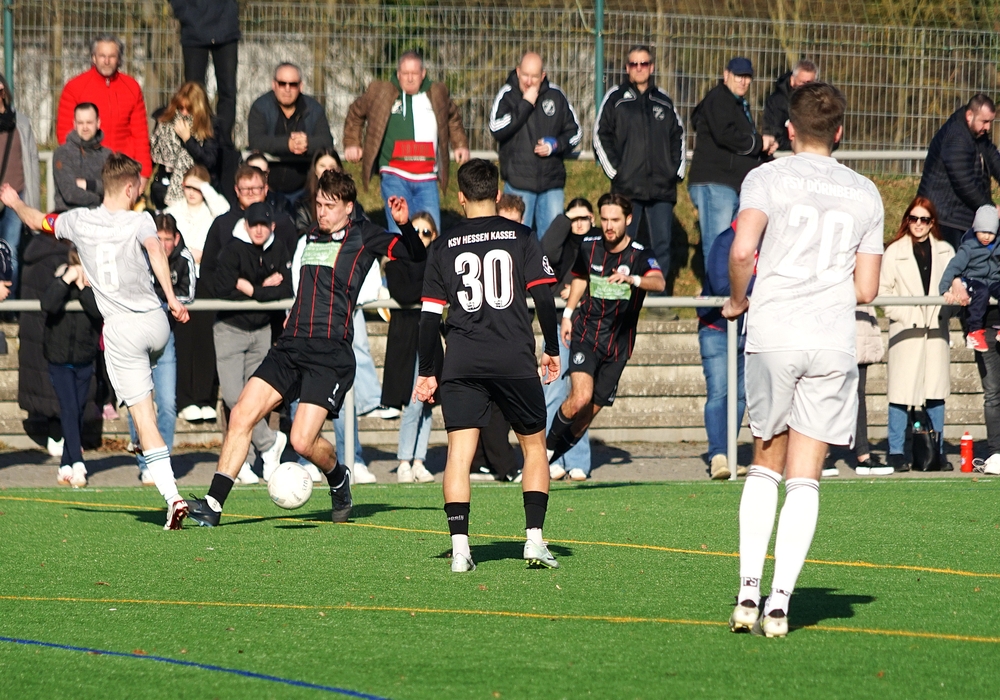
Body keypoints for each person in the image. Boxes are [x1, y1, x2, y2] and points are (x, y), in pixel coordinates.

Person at [722, 82, 883, 638]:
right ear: (840, 132)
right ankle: (780, 605)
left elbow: (742, 250)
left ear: (789, 128)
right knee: (806, 476)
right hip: (831, 338)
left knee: (766, 461)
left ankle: (748, 592)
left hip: (775, 332)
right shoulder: (865, 191)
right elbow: (867, 288)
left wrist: (738, 299)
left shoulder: (766, 177)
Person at [184, 169, 426, 527]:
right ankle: (213, 505)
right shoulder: (312, 233)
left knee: (301, 441)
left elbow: (415, 255)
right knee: (241, 413)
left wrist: (404, 225)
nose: (322, 212)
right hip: (291, 345)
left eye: (330, 206)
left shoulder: (365, 235)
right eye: (319, 204)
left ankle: (338, 477)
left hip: (329, 353)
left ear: (349, 207)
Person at [1, 153, 193, 529]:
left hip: (122, 330)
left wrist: (14, 202)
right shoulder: (141, 220)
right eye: (139, 186)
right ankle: (145, 426)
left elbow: (37, 220)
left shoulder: (78, 221)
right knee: (153, 396)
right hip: (156, 322)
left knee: (143, 417)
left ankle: (172, 496)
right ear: (128, 187)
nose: (140, 192)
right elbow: (156, 249)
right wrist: (171, 299)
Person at [414, 158, 561, 572]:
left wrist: (428, 370)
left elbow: (428, 319)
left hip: (462, 360)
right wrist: (551, 347)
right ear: (497, 194)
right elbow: (544, 297)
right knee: (534, 447)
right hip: (513, 357)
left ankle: (461, 549)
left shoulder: (442, 246)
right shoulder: (522, 236)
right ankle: (534, 540)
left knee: (459, 454)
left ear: (460, 197)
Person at [546, 193, 666, 465]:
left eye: (615, 220)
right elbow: (579, 277)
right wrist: (568, 314)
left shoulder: (639, 253)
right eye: (605, 219)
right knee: (580, 398)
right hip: (587, 335)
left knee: (585, 417)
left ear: (629, 219)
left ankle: (554, 458)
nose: (609, 226)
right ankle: (545, 451)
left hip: (619, 346)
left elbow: (659, 282)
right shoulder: (589, 246)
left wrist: (633, 279)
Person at [343, 50, 470, 232]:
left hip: (427, 176)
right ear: (398, 74)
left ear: (423, 73)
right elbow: (356, 113)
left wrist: (460, 145)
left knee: (430, 231)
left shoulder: (437, 93)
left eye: (414, 73)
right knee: (400, 229)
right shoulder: (381, 92)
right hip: (394, 173)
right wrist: (352, 143)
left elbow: (453, 118)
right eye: (405, 73)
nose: (410, 78)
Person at [213, 202, 292, 484]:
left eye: (264, 225)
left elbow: (287, 288)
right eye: (254, 224)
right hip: (230, 329)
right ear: (245, 225)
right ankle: (269, 442)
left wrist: (249, 288)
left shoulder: (279, 248)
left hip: (262, 332)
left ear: (272, 226)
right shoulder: (232, 249)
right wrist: (263, 289)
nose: (259, 230)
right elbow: (221, 288)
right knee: (234, 398)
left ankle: (245, 460)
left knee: (254, 400)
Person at [879, 197, 956, 473]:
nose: (919, 224)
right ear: (907, 220)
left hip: (935, 330)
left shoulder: (946, 251)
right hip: (906, 331)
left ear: (932, 222)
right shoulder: (894, 252)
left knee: (936, 393)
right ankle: (896, 452)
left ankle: (937, 450)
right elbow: (883, 292)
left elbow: (955, 289)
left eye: (924, 219)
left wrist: (947, 310)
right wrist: (907, 315)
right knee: (900, 394)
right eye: (914, 218)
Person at [594, 45, 685, 274]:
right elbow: (600, 134)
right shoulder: (615, 98)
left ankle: (658, 294)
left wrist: (674, 171)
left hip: (661, 188)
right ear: (627, 68)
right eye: (634, 64)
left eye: (644, 63)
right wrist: (617, 172)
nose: (639, 68)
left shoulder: (663, 100)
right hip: (627, 188)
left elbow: (678, 135)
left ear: (651, 67)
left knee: (661, 246)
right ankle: (623, 291)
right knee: (624, 242)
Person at [128, 213, 196, 485]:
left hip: (165, 338)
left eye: (168, 239)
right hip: (137, 335)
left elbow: (188, 294)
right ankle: (146, 462)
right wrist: (162, 300)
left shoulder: (184, 257)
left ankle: (161, 462)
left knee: (167, 403)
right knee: (138, 402)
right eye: (159, 239)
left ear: (176, 239)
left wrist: (160, 300)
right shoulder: (137, 255)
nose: (164, 245)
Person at [688, 57, 775, 263]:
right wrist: (758, 143)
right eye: (738, 76)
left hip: (731, 183)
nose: (743, 81)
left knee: (728, 246)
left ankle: (723, 283)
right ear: (726, 75)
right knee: (717, 246)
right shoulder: (719, 99)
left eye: (747, 77)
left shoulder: (737, 103)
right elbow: (726, 135)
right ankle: (714, 285)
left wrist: (764, 152)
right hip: (716, 183)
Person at [489, 52, 581, 238]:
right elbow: (496, 128)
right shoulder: (507, 94)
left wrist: (555, 145)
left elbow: (575, 132)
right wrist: (525, 104)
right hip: (518, 184)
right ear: (518, 71)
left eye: (534, 77)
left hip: (551, 184)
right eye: (525, 75)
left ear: (543, 76)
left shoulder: (555, 95)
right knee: (514, 239)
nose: (529, 81)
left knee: (552, 242)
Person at [382, 211, 441, 483]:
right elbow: (403, 294)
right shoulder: (396, 263)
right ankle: (405, 461)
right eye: (414, 231)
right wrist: (428, 285)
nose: (419, 237)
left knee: (427, 403)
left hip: (430, 338)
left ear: (434, 237)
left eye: (425, 233)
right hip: (406, 338)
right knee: (414, 401)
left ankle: (419, 461)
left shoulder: (437, 263)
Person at [539, 199, 595, 480]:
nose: (580, 223)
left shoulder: (598, 246)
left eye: (585, 218)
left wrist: (578, 290)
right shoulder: (561, 245)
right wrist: (565, 219)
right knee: (553, 393)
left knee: (580, 396)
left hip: (586, 326)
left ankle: (578, 460)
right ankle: (553, 458)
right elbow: (545, 253)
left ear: (593, 219)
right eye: (574, 218)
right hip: (556, 324)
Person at [40, 246, 102, 487]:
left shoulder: (94, 283)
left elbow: (98, 311)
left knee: (77, 410)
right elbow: (48, 304)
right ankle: (77, 461)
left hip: (84, 357)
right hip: (59, 359)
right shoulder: (60, 278)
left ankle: (65, 464)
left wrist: (83, 288)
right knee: (69, 408)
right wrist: (67, 280)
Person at [56, 34, 152, 182]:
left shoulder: (132, 87)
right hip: (87, 170)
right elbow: (65, 134)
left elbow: (140, 135)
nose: (106, 61)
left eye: (112, 56)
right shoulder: (74, 88)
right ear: (94, 58)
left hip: (124, 170)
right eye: (102, 56)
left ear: (119, 59)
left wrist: (144, 173)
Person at [697, 222, 748, 480]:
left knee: (740, 397)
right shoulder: (725, 240)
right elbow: (721, 286)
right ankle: (718, 455)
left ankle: (729, 453)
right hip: (716, 329)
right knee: (718, 392)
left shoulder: (770, 241)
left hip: (749, 331)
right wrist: (763, 287)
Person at [917, 94, 1000, 249]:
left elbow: (993, 157)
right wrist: (989, 209)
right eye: (985, 121)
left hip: (961, 215)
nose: (988, 127)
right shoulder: (956, 137)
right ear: (969, 115)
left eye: (990, 122)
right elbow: (964, 182)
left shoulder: (976, 133)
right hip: (944, 217)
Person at [247, 63, 334, 204]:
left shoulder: (314, 109)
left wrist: (307, 144)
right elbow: (256, 141)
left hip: (305, 190)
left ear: (301, 86)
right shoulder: (260, 107)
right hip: (267, 190)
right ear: (274, 84)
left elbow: (327, 142)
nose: (287, 89)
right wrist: (287, 144)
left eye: (293, 84)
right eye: (282, 84)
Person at [168, 0, 240, 143]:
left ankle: (223, 142)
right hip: (193, 30)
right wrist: (185, 12)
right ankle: (196, 139)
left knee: (228, 91)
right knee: (193, 92)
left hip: (226, 28)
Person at [0, 71, 41, 296]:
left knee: (9, 250)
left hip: (16, 197)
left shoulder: (21, 123)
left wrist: (31, 203)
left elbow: (32, 163)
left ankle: (10, 305)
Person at [150, 82, 223, 208]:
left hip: (197, 190)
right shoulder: (166, 123)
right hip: (165, 188)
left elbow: (209, 161)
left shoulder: (209, 126)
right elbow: (153, 155)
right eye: (180, 108)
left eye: (189, 109)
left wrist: (188, 140)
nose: (183, 113)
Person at [938, 205, 1000, 351]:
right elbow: (953, 267)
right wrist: (944, 289)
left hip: (993, 280)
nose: (986, 237)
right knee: (981, 293)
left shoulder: (998, 245)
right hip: (972, 279)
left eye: (991, 233)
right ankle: (974, 330)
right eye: (983, 232)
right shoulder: (969, 247)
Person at [164, 164, 231, 268]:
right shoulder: (172, 211)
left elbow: (226, 214)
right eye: (188, 187)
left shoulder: (213, 211)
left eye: (196, 188)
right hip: (177, 267)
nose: (191, 192)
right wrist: (189, 255)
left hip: (205, 267)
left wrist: (203, 186)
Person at [52, 102, 111, 212]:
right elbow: (70, 193)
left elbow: (114, 189)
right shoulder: (63, 153)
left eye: (89, 122)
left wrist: (89, 184)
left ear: (98, 123)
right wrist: (101, 199)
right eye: (80, 123)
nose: (85, 127)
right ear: (74, 124)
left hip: (101, 217)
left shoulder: (107, 155)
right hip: (69, 216)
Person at [763, 60, 818, 152]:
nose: (806, 87)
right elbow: (775, 136)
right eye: (802, 82)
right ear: (792, 79)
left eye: (809, 83)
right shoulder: (776, 102)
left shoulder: (819, 102)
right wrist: (804, 147)